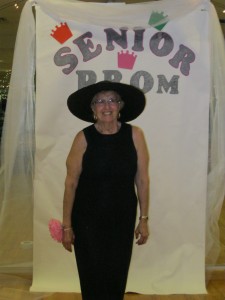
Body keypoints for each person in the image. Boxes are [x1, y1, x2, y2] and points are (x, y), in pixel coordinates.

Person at [62, 80, 150, 300]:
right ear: (92, 109)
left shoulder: (135, 135)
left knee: (116, 272)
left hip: (122, 217)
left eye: (112, 100)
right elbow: (70, 183)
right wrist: (66, 226)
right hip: (87, 219)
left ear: (120, 106)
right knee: (91, 273)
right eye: (100, 101)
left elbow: (143, 179)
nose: (106, 106)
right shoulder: (83, 138)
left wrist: (144, 218)